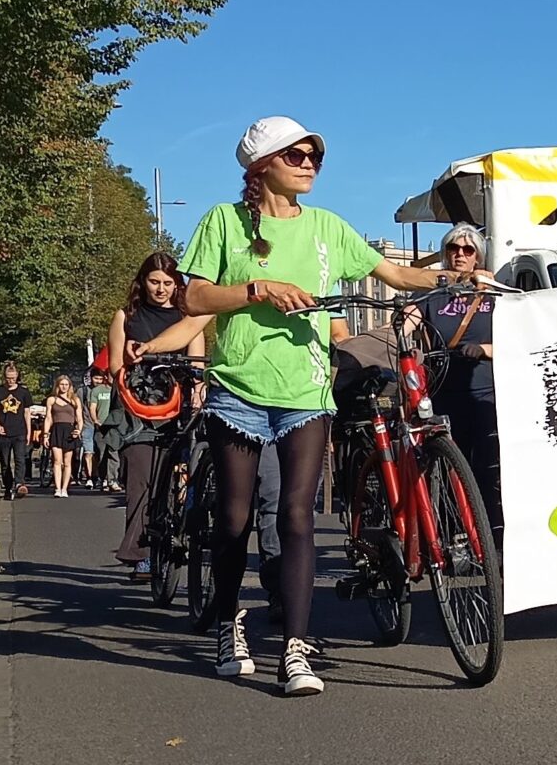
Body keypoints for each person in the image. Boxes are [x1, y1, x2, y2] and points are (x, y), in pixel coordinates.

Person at [133, 116, 477, 695]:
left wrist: (459, 274)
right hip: (238, 389)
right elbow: (193, 296)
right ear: (261, 164)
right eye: (296, 154)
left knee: (296, 515)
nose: (310, 162)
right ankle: (227, 623)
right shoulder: (223, 221)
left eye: (315, 154)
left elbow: (395, 273)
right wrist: (257, 290)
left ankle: (295, 647)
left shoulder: (327, 227)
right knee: (235, 518)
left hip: (306, 392)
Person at [404, 224, 503, 553]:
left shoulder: (492, 292)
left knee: (488, 469)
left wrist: (486, 349)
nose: (460, 254)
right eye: (453, 249)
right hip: (444, 391)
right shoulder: (432, 292)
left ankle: (493, 541)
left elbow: (519, 333)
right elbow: (408, 323)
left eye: (468, 250)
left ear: (478, 257)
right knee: (448, 469)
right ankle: (454, 537)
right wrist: (405, 324)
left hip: (486, 392)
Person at [107, 252, 201, 580]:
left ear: (177, 285)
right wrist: (131, 386)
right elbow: (116, 365)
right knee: (141, 479)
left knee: (193, 472)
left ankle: (188, 533)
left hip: (179, 404)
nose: (161, 289)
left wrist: (198, 391)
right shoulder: (126, 316)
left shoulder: (188, 316)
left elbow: (198, 362)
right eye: (154, 282)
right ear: (143, 282)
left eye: (167, 283)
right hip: (138, 407)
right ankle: (142, 551)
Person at [0, 363, 32, 500]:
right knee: (5, 462)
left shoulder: (24, 392)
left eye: (13, 378)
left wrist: (29, 431)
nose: (10, 381)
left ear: (17, 376)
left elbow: (27, 413)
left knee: (20, 459)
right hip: (4, 432)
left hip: (19, 431)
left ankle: (19, 483)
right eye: (8, 378)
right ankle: (8, 487)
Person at [44, 375, 83, 498]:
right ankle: (57, 488)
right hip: (56, 430)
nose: (64, 387)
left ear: (70, 386)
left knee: (67, 462)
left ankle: (65, 488)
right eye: (62, 384)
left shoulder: (75, 400)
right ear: (57, 385)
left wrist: (78, 430)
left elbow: (80, 419)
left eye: (66, 384)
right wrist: (45, 434)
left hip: (69, 431)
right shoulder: (51, 400)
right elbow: (48, 417)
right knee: (57, 461)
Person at [83, 367, 113, 490]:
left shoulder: (116, 390)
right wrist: (96, 420)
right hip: (100, 426)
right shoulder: (96, 391)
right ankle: (100, 477)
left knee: (112, 453)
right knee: (100, 454)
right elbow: (92, 408)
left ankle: (110, 479)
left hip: (113, 426)